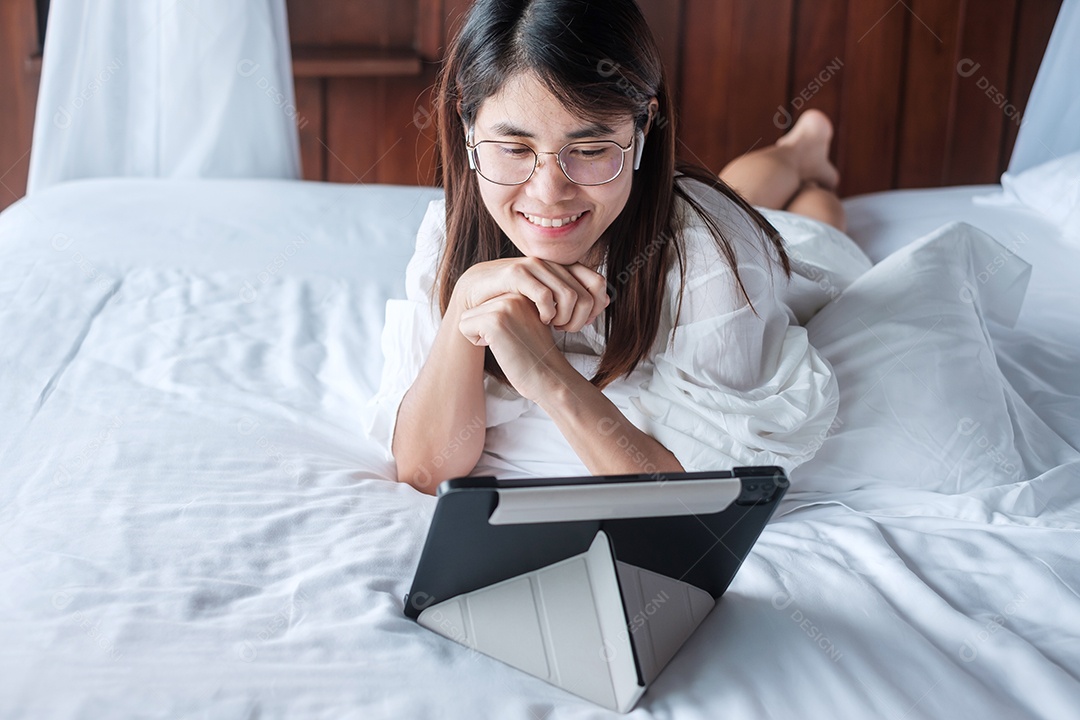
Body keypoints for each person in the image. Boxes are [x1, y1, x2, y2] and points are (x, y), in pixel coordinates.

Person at [364, 0, 849, 495]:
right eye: (514, 150)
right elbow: (423, 471)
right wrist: (465, 304)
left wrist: (550, 376)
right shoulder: (455, 231)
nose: (549, 193)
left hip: (777, 257)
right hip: (695, 212)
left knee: (819, 218)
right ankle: (801, 149)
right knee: (748, 192)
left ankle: (800, 152)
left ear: (643, 128)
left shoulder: (714, 259)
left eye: (592, 151)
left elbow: (690, 499)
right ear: (467, 122)